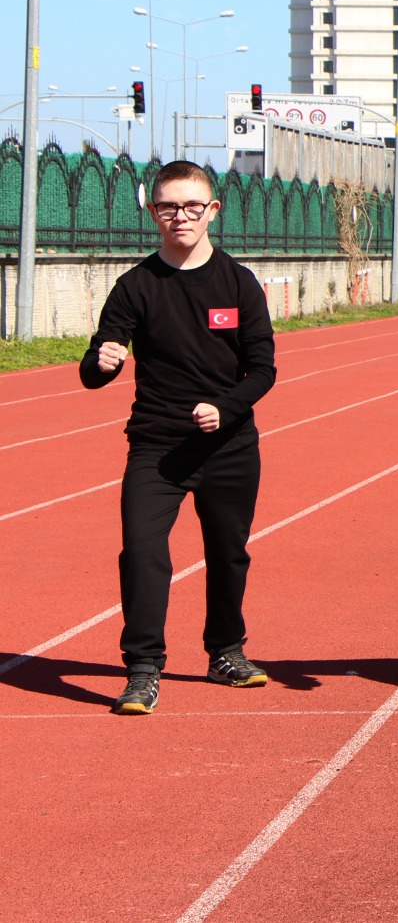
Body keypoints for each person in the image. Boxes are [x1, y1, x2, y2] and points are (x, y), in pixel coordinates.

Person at [80, 160, 277, 715]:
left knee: (228, 554)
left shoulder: (238, 283)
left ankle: (226, 652)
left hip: (229, 446)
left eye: (193, 207)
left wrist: (226, 407)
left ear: (213, 210)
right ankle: (142, 669)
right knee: (143, 552)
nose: (181, 217)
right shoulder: (135, 286)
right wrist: (105, 360)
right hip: (157, 446)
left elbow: (263, 368)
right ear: (153, 212)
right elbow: (92, 371)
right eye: (169, 207)